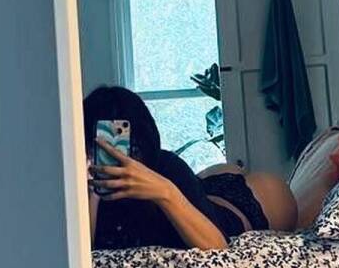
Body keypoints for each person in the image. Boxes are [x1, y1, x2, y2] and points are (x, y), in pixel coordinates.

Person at [84, 86, 297, 251]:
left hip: (232, 206)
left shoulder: (164, 166)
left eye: (130, 147)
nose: (117, 155)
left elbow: (218, 248)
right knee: (203, 183)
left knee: (276, 193)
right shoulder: (84, 184)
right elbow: (84, 254)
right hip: (199, 190)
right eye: (101, 147)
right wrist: (92, 191)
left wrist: (163, 192)